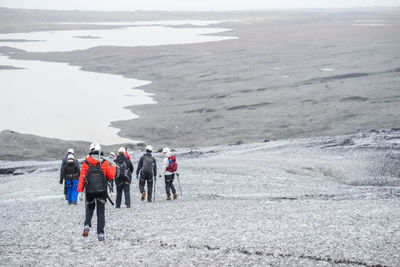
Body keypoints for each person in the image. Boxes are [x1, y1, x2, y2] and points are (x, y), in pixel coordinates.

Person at [77, 142, 116, 241]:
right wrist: (114, 166)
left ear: (91, 151)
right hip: (102, 191)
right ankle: (100, 234)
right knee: (100, 212)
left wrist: (80, 191)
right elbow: (111, 176)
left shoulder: (86, 162)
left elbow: (82, 177)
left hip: (89, 191)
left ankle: (87, 225)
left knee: (89, 209)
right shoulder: (104, 162)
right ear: (99, 150)